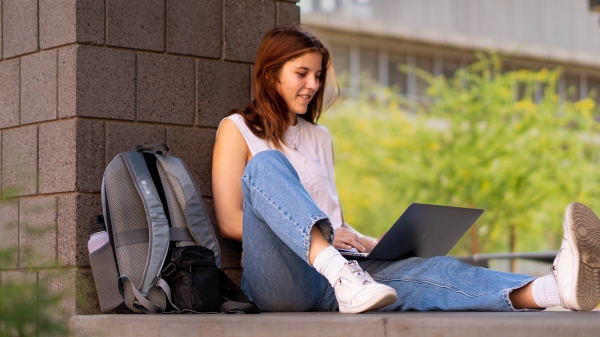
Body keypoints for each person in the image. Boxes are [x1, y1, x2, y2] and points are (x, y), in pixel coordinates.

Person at [212, 26, 600, 313]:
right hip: (284, 281)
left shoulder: (320, 138)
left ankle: (555, 289)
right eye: (302, 73)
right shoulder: (238, 129)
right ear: (271, 73)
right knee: (267, 165)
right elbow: (231, 222)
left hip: (344, 278)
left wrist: (367, 242)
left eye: (318, 75)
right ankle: (346, 277)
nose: (313, 84)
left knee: (433, 272)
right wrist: (330, 247)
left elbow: (333, 219)